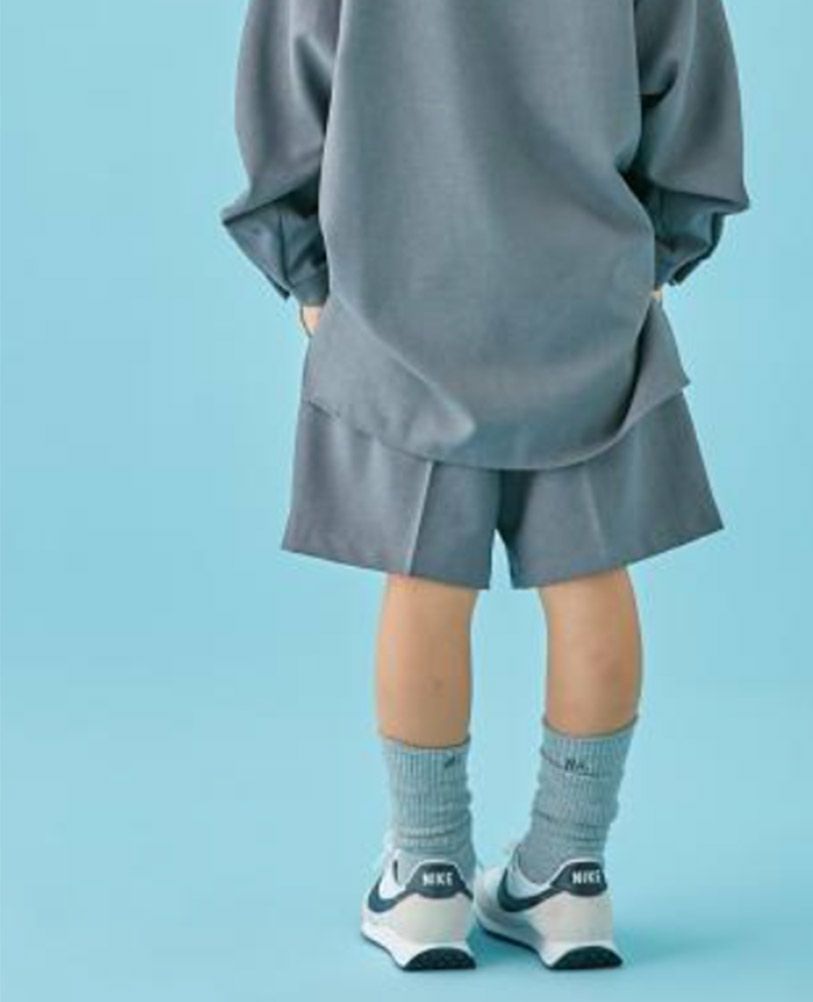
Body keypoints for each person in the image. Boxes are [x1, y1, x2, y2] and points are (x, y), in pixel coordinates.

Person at [221, 0, 749, 972]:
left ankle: (427, 878)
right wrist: (660, 252)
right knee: (591, 575)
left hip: (398, 299)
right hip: (584, 297)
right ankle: (570, 874)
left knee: (424, 579)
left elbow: (290, 83)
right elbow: (687, 70)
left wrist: (308, 276)